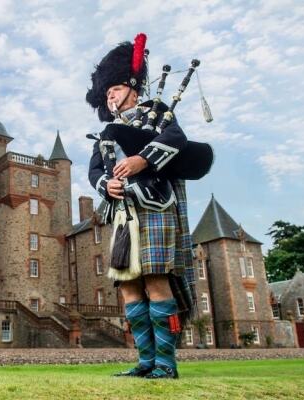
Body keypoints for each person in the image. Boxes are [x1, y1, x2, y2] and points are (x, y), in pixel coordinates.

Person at [86, 37, 195, 379]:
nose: (111, 98)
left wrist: (139, 160)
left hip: (155, 208)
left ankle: (166, 364)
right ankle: (145, 362)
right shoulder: (106, 132)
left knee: (156, 282)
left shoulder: (158, 113)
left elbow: (176, 140)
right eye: (106, 95)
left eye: (115, 90)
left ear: (132, 86)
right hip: (121, 216)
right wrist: (107, 185)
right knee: (129, 287)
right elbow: (93, 171)